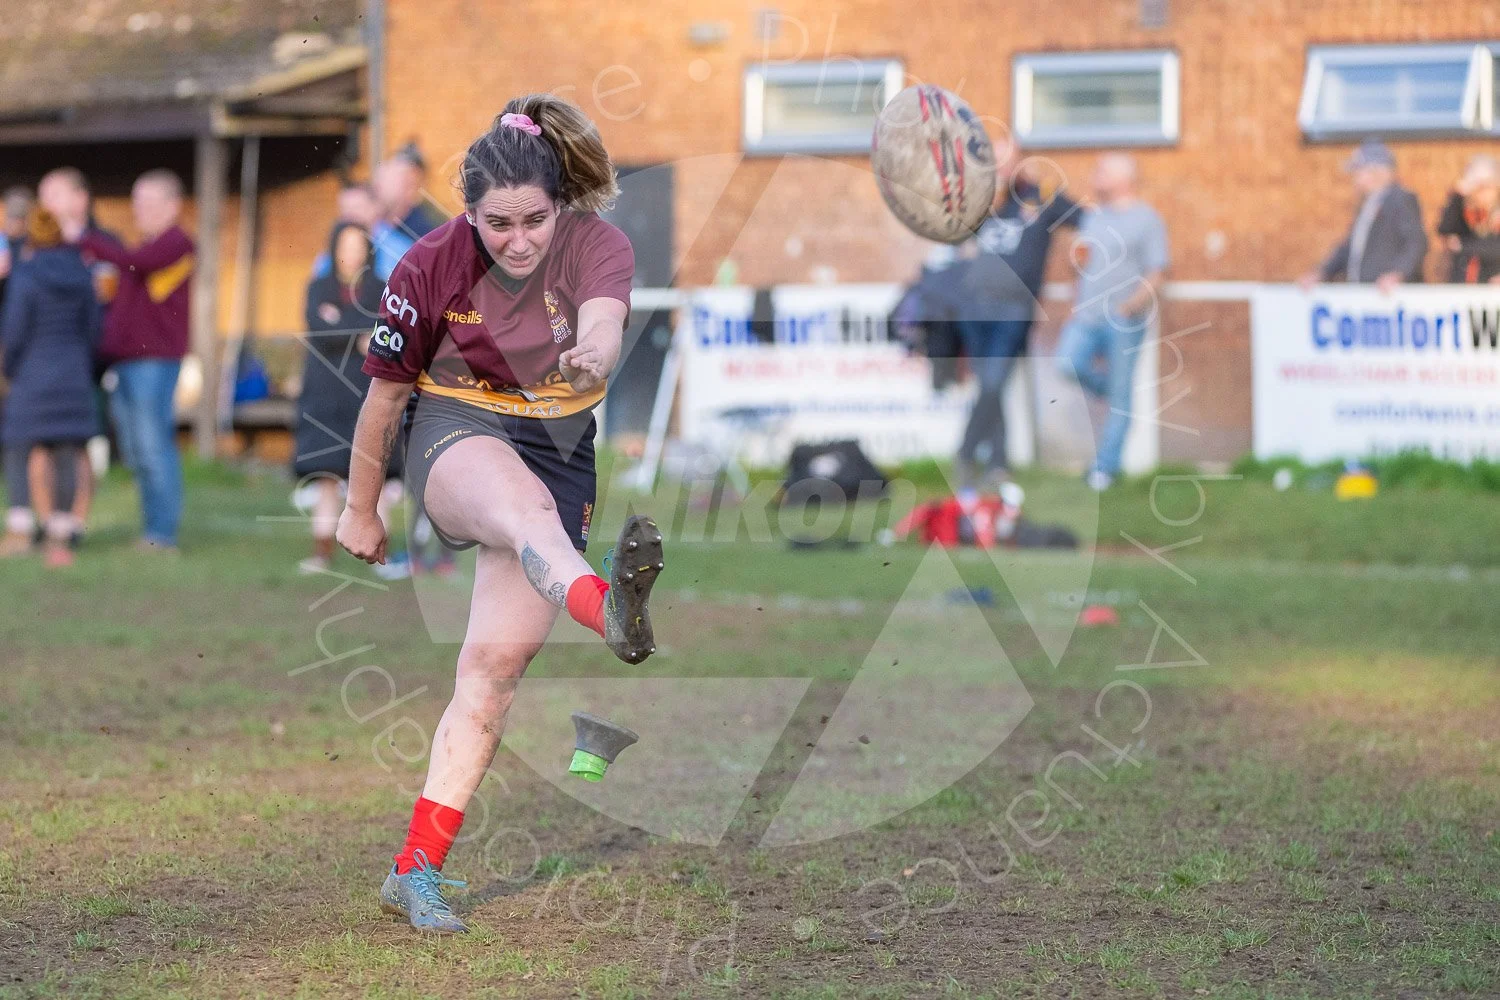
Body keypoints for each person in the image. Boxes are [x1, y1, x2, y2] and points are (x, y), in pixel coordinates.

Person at [335, 95, 662, 934]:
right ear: (468, 210)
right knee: (523, 512)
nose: (518, 240)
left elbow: (604, 323)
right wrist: (359, 509)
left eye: (535, 221)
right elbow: (382, 402)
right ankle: (611, 610)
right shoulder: (431, 263)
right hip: (455, 431)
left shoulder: (599, 245)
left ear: (561, 204)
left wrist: (595, 349)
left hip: (559, 448)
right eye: (498, 223)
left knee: (490, 680)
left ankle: (415, 871)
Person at [68, 170, 194, 551]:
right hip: (127, 362)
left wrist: (85, 239)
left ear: (173, 206)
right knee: (137, 450)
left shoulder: (176, 243)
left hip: (153, 363)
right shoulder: (147, 246)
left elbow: (133, 262)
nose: (139, 210)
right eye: (137, 202)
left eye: (148, 202)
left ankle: (161, 533)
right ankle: (152, 528)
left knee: (153, 445)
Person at [956, 144, 1080, 490]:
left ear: (1019, 164)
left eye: (1000, 161)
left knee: (994, 382)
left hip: (1013, 308)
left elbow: (1086, 220)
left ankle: (965, 454)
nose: (994, 169)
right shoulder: (980, 205)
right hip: (975, 309)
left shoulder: (1040, 200)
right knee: (989, 389)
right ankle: (997, 463)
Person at [294, 222, 406, 575]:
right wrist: (355, 332)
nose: (350, 252)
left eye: (357, 245)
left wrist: (343, 324)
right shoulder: (318, 287)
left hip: (366, 392)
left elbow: (382, 328)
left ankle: (380, 555)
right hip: (324, 394)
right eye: (344, 245)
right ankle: (322, 552)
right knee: (325, 473)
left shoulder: (382, 288)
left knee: (375, 473)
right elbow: (320, 327)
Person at [1054, 153, 1169, 491]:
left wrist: (1130, 306)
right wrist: (1077, 299)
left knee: (1122, 394)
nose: (1095, 174)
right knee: (1066, 362)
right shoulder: (1092, 218)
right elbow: (1084, 265)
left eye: (1103, 170)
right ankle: (1112, 394)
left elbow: (1157, 272)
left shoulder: (1147, 219)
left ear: (1124, 178)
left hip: (1124, 321)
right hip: (1086, 316)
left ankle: (1105, 468)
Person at [0, 208, 102, 567]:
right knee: (65, 452)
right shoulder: (82, 273)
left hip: (32, 375)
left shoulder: (26, 276)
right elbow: (94, 329)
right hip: (73, 374)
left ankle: (21, 530)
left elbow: (13, 332)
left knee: (18, 449)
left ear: (31, 240)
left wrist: (10, 370)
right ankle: (60, 538)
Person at [1299, 139, 1426, 293]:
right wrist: (1322, 272)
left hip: (1387, 298)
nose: (1355, 177)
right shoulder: (1367, 205)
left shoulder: (1400, 199)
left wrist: (1397, 274)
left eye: (1359, 171)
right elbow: (1350, 247)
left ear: (1376, 171)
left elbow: (1415, 242)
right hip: (1364, 294)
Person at [1436, 155, 1500, 284]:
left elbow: (1495, 248)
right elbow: (1445, 230)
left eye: (1486, 185)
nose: (1481, 191)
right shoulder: (1465, 210)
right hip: (1465, 286)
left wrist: (1464, 246)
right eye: (1477, 186)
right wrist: (1458, 195)